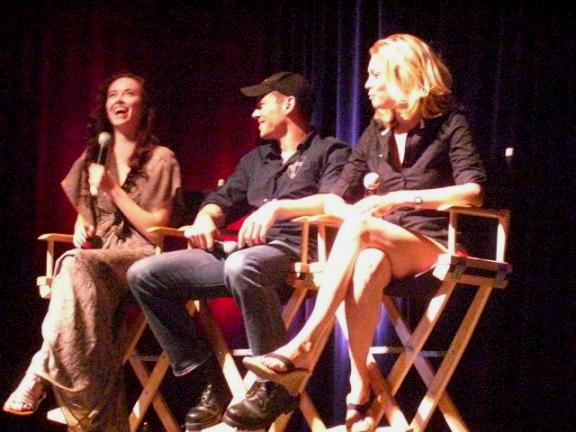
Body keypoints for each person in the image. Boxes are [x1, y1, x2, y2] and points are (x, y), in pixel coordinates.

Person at [237, 33, 487, 431]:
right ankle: (360, 388)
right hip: (382, 242)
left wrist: (403, 199)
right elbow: (333, 197)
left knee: (361, 228)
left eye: (375, 76)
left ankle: (304, 344)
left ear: (403, 75)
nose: (366, 85)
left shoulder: (449, 122)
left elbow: (473, 192)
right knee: (367, 262)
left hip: (434, 242)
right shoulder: (377, 131)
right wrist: (284, 206)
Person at [127, 72, 350, 431]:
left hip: (299, 248)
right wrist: (205, 218)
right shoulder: (256, 159)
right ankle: (208, 381)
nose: (254, 113)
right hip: (247, 253)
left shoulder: (331, 152)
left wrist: (277, 209)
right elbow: (223, 199)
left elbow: (335, 203)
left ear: (289, 104)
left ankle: (273, 383)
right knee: (146, 274)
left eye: (262, 104)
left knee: (243, 265)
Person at [2, 72, 181, 432]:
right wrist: (81, 223)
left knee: (73, 264)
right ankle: (96, 419)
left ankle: (41, 372)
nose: (119, 100)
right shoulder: (93, 157)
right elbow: (87, 212)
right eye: (113, 94)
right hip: (97, 260)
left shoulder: (162, 158)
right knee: (80, 297)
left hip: (140, 259)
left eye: (129, 94)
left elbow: (155, 228)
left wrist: (114, 190)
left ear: (143, 107)